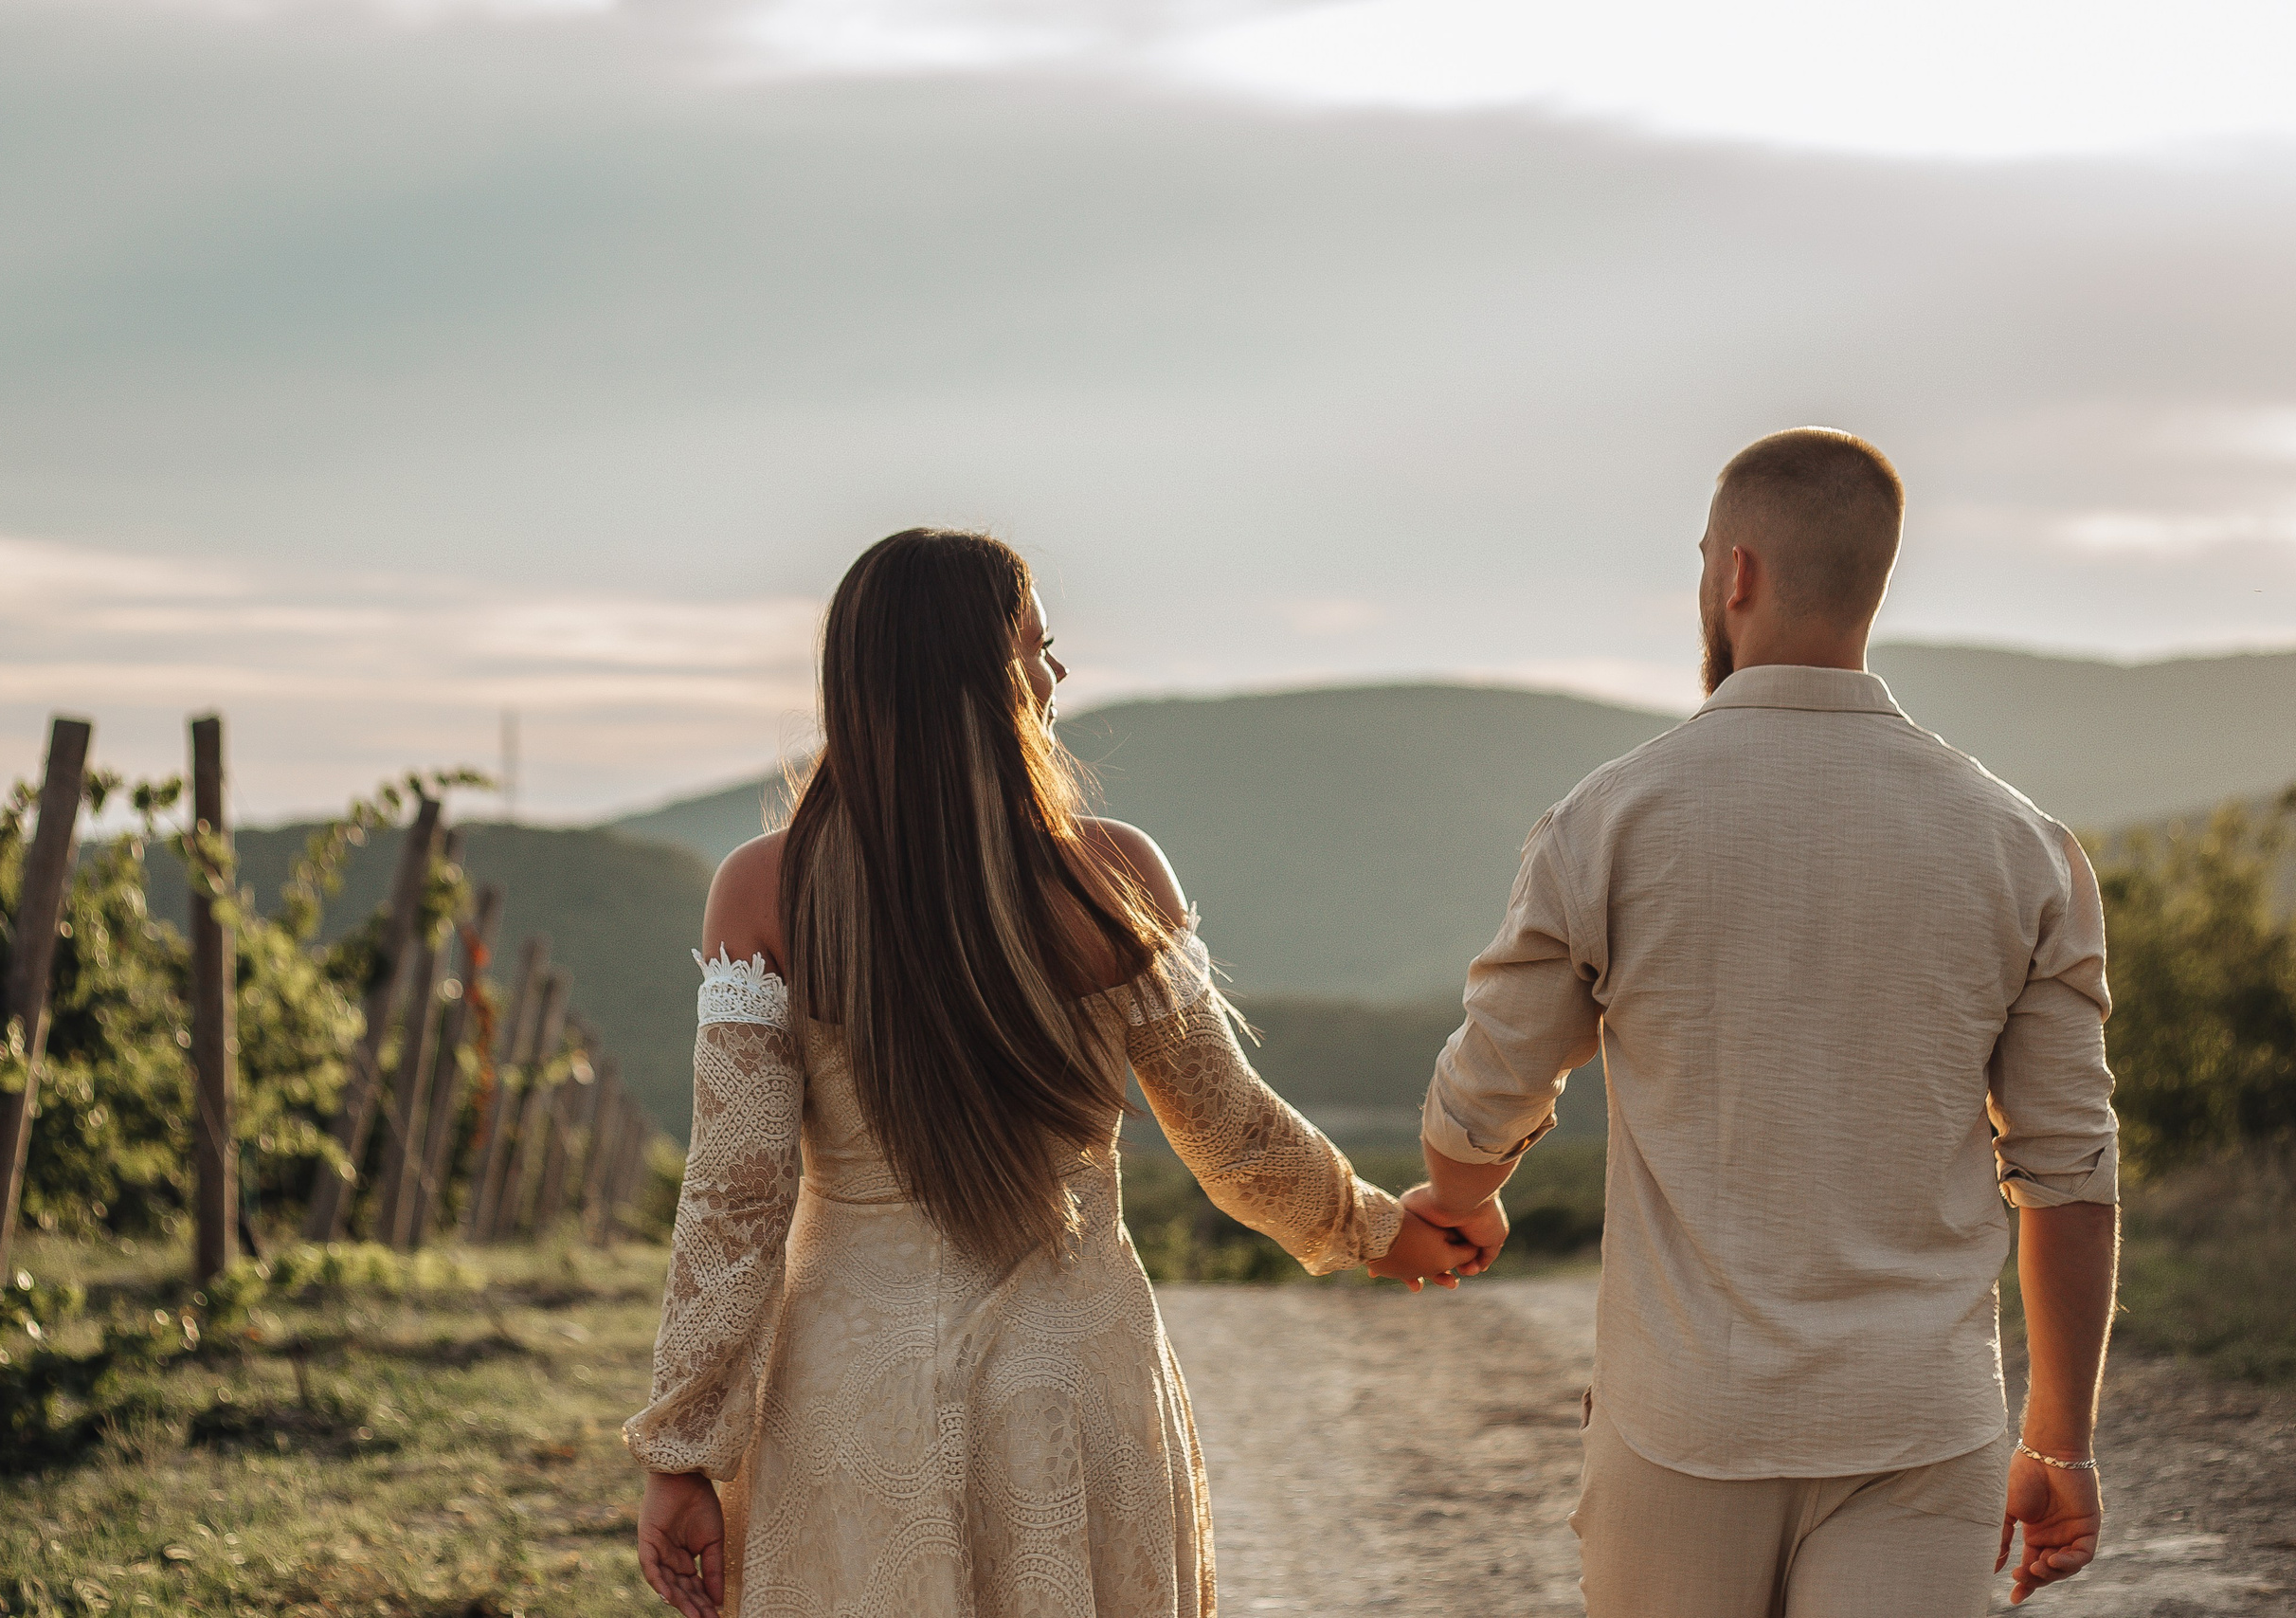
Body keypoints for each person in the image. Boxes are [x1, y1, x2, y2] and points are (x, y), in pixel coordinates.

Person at [624, 528, 1476, 1618]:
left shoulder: (763, 891)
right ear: (983, 678)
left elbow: (736, 1202)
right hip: (1071, 1385)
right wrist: (1379, 1228)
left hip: (851, 1394)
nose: (1056, 674)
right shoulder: (1110, 876)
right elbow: (1233, 1140)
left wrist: (683, 1450)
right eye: (1040, 646)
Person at [1405, 428, 2121, 1615]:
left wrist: (1462, 1200)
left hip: (1679, 1419)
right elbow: (2068, 1170)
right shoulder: (2021, 846)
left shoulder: (1609, 822)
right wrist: (2059, 1442)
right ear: (1873, 581)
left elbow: (1474, 1115)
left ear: (1733, 574)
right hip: (1917, 1422)